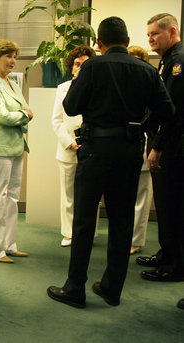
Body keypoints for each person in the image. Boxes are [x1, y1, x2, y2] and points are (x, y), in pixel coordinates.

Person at [47, 16, 175, 308]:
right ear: (128, 42)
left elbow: (71, 106)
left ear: (99, 44)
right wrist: (142, 125)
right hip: (130, 150)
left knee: (84, 219)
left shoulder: (92, 66)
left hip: (95, 149)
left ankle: (75, 287)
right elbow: (167, 111)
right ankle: (111, 288)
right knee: (121, 220)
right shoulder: (147, 69)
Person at [135, 13, 184, 308]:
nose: (151, 38)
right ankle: (167, 254)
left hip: (172, 147)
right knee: (163, 204)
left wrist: (159, 147)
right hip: (164, 142)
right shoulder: (167, 61)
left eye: (155, 33)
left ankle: (175, 265)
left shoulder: (178, 63)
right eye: (149, 34)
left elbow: (174, 113)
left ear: (172, 31)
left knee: (173, 205)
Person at [0, 39, 34, 263]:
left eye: (15, 56)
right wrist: (26, 116)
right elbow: (4, 116)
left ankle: (9, 245)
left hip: (15, 146)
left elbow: (17, 110)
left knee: (12, 198)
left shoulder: (10, 83)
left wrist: (22, 115)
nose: (13, 61)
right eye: (8, 56)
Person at [52, 45, 96, 247]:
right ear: (71, 67)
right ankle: (69, 233)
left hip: (92, 148)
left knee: (90, 195)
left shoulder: (98, 86)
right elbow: (57, 121)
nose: (80, 68)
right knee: (68, 195)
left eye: (85, 64)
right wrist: (70, 143)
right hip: (68, 148)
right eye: (77, 64)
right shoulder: (62, 89)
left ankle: (89, 233)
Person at [127, 45, 154, 255]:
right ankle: (126, 237)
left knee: (142, 198)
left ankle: (136, 240)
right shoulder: (124, 84)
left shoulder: (153, 83)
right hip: (126, 147)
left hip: (147, 144)